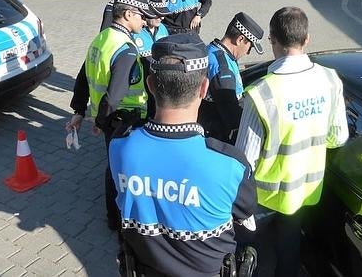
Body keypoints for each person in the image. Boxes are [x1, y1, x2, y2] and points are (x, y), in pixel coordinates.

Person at [109, 33, 257, 276]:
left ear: (150, 85)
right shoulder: (230, 165)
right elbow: (246, 210)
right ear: (204, 87)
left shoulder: (120, 147)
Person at [235, 6, 349, 277]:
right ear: (307, 39)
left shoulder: (262, 94)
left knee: (247, 256)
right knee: (289, 255)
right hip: (304, 193)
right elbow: (338, 137)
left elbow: (242, 161)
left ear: (272, 39)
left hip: (264, 199)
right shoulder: (330, 80)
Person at [66, 0, 151, 231]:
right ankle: (123, 220)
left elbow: (82, 78)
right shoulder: (125, 49)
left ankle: (112, 219)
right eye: (140, 16)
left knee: (113, 167)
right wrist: (99, 120)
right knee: (124, 171)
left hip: (110, 121)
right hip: (125, 120)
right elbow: (114, 96)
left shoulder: (100, 39)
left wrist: (79, 111)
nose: (144, 21)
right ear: (127, 15)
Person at [198, 12, 264, 143]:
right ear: (240, 39)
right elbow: (232, 116)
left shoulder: (213, 51)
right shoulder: (222, 68)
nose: (248, 52)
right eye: (249, 47)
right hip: (219, 138)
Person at [132, 0, 171, 119]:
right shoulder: (134, 32)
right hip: (138, 97)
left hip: (158, 93)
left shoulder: (163, 29)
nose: (162, 17)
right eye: (157, 13)